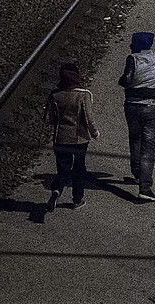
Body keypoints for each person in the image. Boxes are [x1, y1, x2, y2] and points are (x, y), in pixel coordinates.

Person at [118, 32, 155, 202]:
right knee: (148, 147)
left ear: (136, 45)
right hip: (150, 106)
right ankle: (145, 188)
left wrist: (126, 81)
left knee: (135, 139)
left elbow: (126, 81)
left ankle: (136, 173)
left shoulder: (132, 59)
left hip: (131, 106)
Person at [45, 62, 100, 211]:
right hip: (79, 138)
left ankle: (56, 190)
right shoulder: (84, 95)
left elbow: (51, 118)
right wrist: (95, 133)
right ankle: (77, 199)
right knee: (78, 168)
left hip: (60, 138)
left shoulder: (55, 95)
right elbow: (89, 118)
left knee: (62, 168)